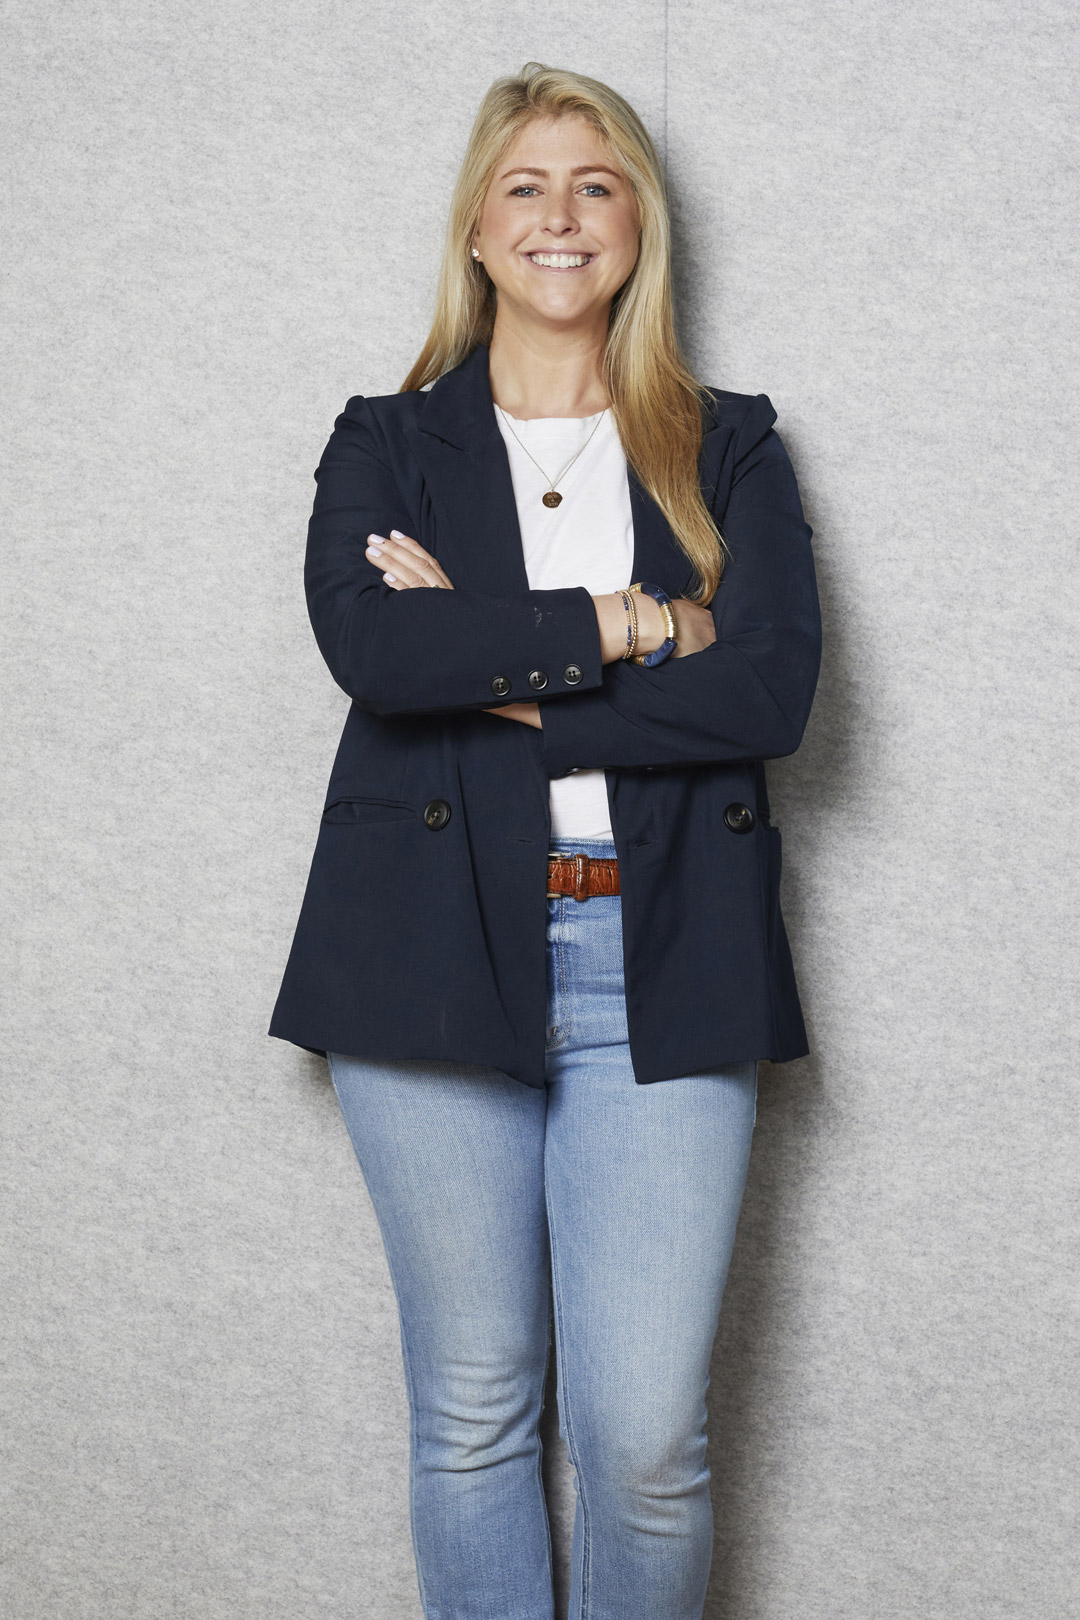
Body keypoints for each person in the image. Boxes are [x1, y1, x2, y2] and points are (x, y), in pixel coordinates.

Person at [269, 60, 821, 1620]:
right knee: (473, 1413)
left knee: (646, 1438)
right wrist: (642, 624)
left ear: (640, 224)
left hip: (667, 952)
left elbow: (770, 690)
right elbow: (383, 660)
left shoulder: (731, 445)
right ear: (477, 225)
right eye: (526, 184)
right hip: (429, 950)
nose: (561, 216)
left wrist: (500, 668)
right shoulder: (384, 438)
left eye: (597, 183)